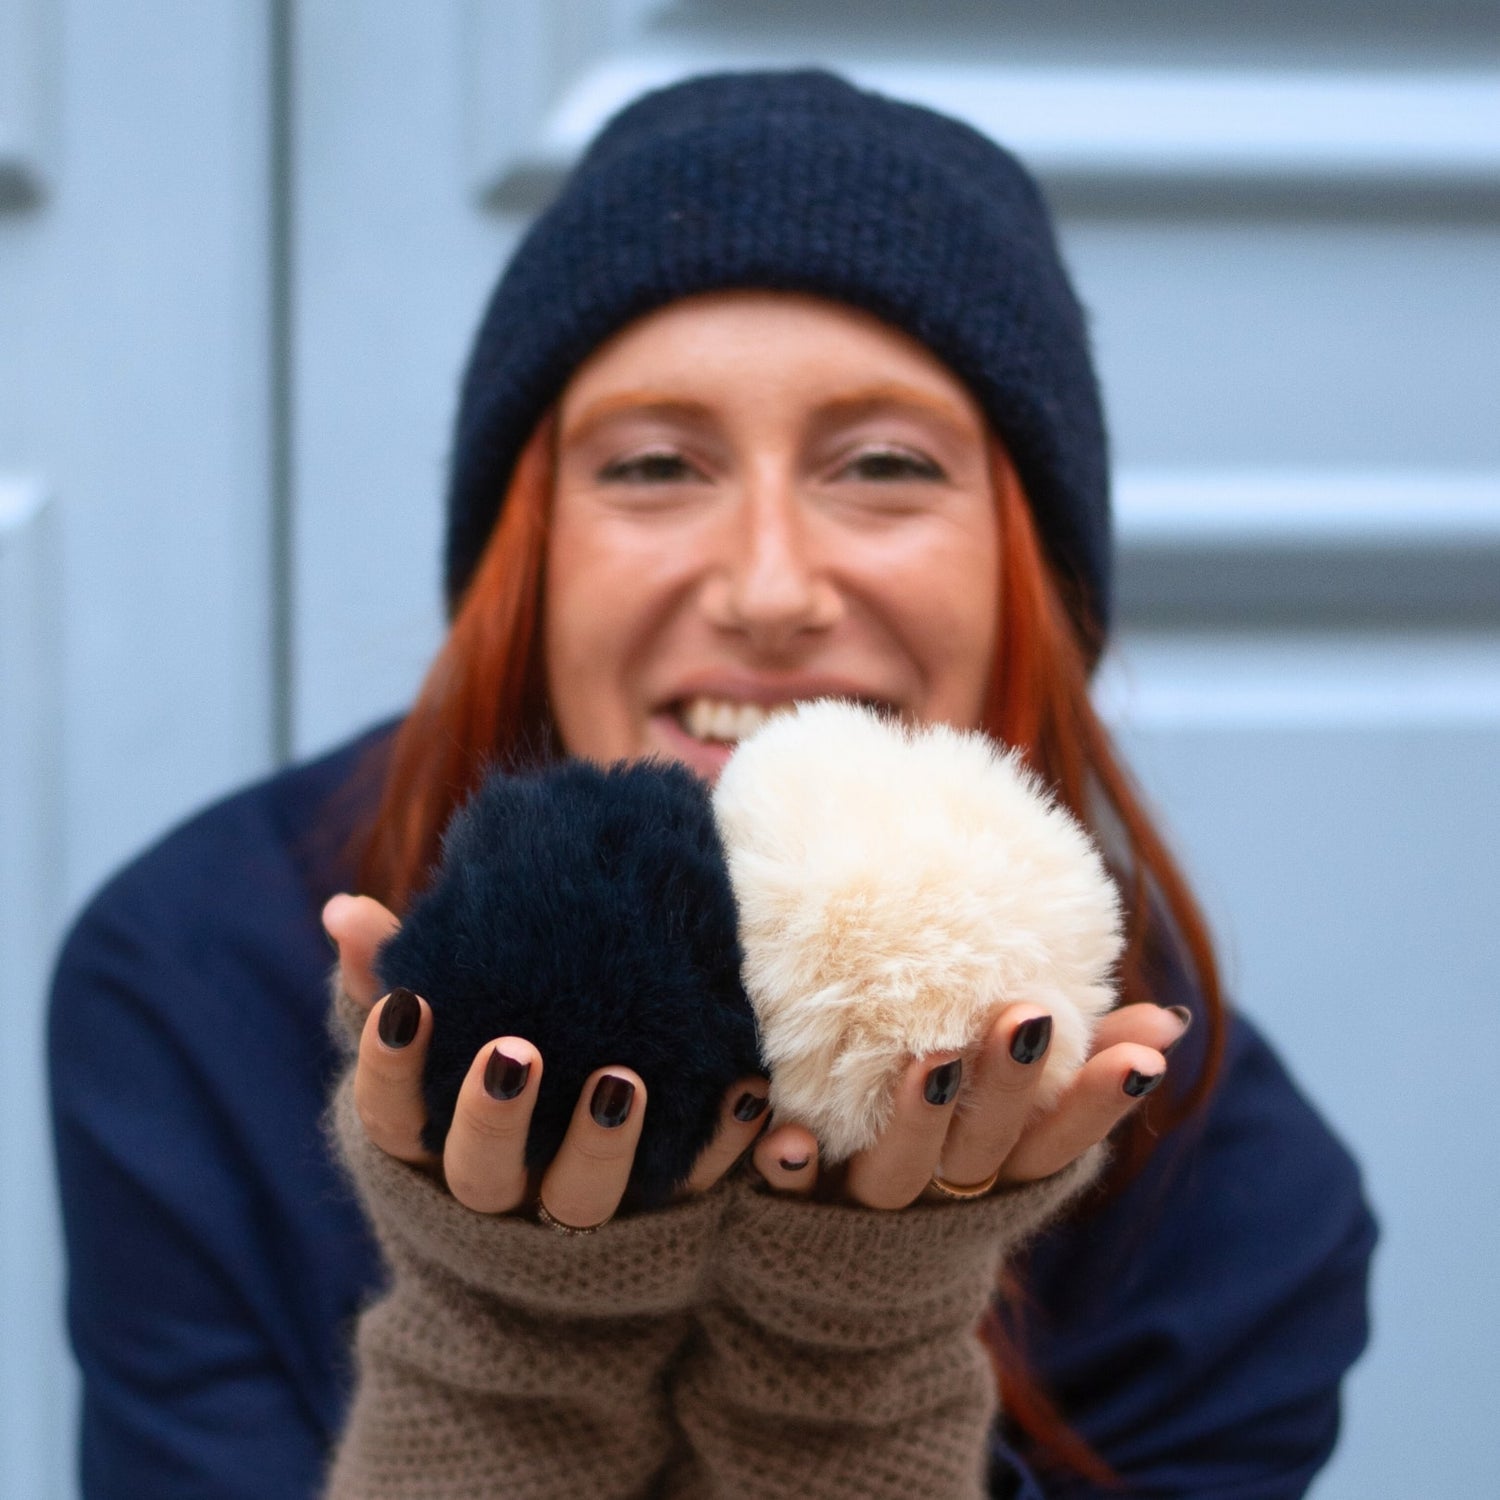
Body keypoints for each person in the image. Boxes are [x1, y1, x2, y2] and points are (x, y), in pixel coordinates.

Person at [48, 70, 1375, 1499]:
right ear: (527, 560)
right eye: (655, 465)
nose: (768, 588)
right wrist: (513, 1343)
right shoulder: (199, 981)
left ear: (1028, 578)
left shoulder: (1238, 1211)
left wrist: (848, 1372)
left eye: (884, 464)